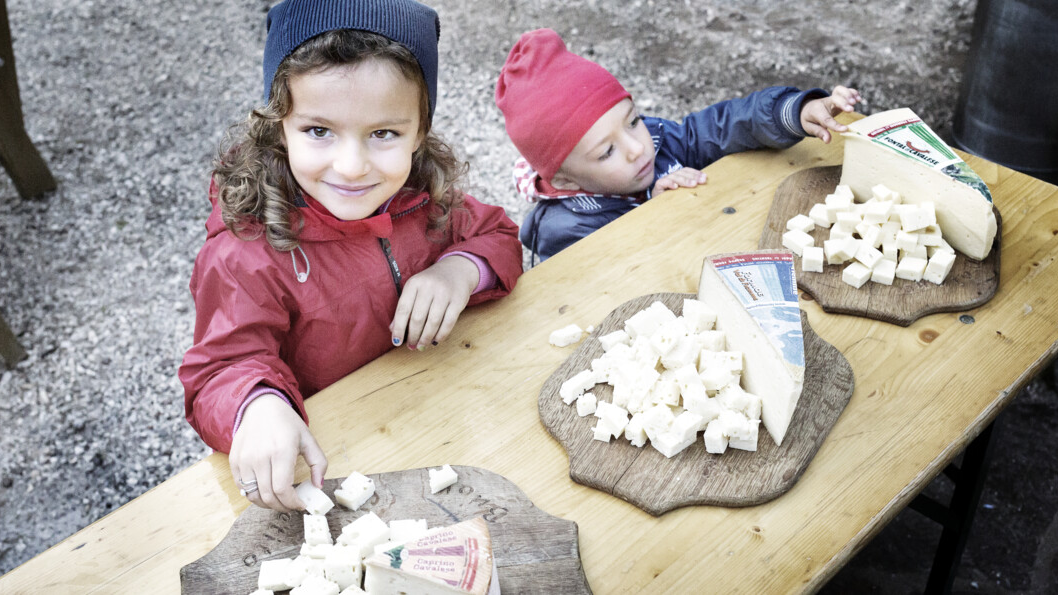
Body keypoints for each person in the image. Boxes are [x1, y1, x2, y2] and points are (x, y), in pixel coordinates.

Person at [179, 0, 523, 512]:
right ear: (279, 126)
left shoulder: (423, 195)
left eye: (384, 134)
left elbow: (497, 232)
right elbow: (221, 367)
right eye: (319, 131)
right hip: (330, 465)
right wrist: (257, 406)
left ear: (420, 132)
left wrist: (458, 271)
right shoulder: (244, 254)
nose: (352, 166)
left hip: (438, 420)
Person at [495, 28, 862, 263]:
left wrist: (793, 112)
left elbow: (720, 126)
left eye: (633, 121)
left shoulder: (657, 141)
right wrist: (653, 211)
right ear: (568, 181)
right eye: (607, 152)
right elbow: (613, 282)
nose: (638, 147)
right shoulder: (564, 230)